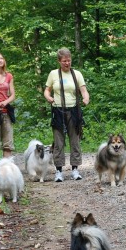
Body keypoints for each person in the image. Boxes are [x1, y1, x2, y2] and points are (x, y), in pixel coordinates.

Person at [44, 47, 90, 182]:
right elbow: (47, 90)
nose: (67, 63)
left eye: (69, 60)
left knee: (74, 140)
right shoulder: (53, 74)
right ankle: (59, 171)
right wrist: (48, 97)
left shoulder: (77, 74)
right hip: (58, 110)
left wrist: (86, 98)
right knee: (58, 141)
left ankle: (75, 169)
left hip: (74, 110)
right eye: (64, 61)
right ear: (59, 61)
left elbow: (84, 90)